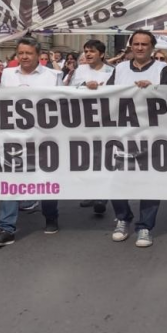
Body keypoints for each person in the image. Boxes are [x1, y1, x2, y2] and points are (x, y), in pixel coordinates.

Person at [0, 36, 64, 247]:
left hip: (44, 137)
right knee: (11, 180)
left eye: (28, 53)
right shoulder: (7, 74)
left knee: (45, 178)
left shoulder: (53, 76)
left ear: (39, 55)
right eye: (21, 53)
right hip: (13, 138)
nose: (24, 57)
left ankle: (51, 215)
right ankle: (6, 228)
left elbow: (64, 105)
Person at [106, 29, 167, 248]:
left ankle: (145, 226)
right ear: (130, 46)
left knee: (149, 180)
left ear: (152, 48)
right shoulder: (119, 69)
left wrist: (153, 90)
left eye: (144, 44)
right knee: (117, 177)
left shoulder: (162, 69)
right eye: (135, 44)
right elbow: (105, 97)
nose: (139, 48)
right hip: (122, 132)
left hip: (151, 134)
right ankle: (122, 218)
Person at [69, 39, 115, 215]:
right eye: (86, 51)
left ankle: (102, 195)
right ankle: (90, 191)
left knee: (102, 156)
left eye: (92, 51)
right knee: (87, 156)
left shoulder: (111, 71)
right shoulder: (80, 71)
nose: (88, 54)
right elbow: (70, 90)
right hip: (83, 118)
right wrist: (83, 86)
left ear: (101, 54)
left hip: (105, 119)